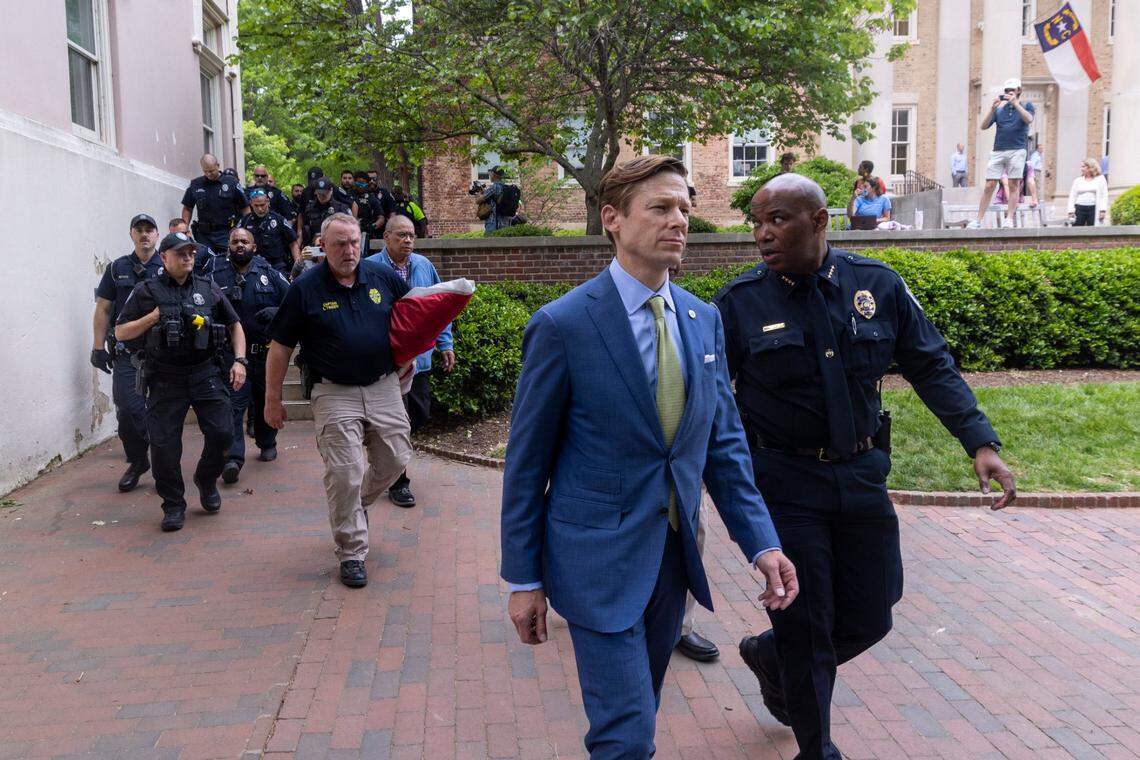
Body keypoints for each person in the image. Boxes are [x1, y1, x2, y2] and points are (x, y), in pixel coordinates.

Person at [500, 155, 798, 758]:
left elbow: (724, 447)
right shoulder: (563, 326)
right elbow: (526, 466)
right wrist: (524, 578)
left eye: (685, 208)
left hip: (671, 561)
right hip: (594, 562)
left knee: (642, 710)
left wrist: (762, 543)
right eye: (661, 207)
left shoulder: (702, 320)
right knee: (627, 735)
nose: (679, 220)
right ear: (612, 218)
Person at [715, 174, 1016, 760]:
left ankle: (770, 657)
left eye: (776, 219)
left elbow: (930, 365)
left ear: (820, 220)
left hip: (859, 474)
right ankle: (816, 745)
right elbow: (712, 402)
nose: (761, 234)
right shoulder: (740, 304)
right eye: (756, 221)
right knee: (806, 622)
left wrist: (979, 441)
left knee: (874, 611)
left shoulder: (876, 285)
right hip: (786, 483)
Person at [264, 213, 413, 588]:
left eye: (353, 243)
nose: (348, 251)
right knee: (345, 471)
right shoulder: (305, 288)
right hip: (332, 391)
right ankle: (351, 551)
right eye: (339, 244)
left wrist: (409, 356)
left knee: (396, 458)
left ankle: (357, 505)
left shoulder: (382, 277)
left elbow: (412, 318)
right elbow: (280, 346)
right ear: (323, 246)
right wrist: (272, 399)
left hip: (383, 385)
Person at [114, 232, 248, 532]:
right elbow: (121, 331)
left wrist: (240, 361)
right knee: (163, 447)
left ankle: (205, 478)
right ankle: (173, 504)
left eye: (191, 252)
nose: (188, 257)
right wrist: (153, 317)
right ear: (165, 258)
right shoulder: (146, 290)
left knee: (224, 433)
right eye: (181, 253)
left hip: (205, 373)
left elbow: (234, 323)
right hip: (165, 379)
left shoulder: (206, 286)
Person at [364, 214, 456, 507]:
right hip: (387, 364)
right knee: (399, 426)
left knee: (420, 414)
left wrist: (445, 344)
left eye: (411, 236)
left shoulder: (424, 266)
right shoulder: (369, 269)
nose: (407, 241)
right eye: (401, 235)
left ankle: (383, 451)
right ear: (387, 237)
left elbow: (438, 309)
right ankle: (398, 483)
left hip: (421, 361)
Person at [91, 213, 165, 492]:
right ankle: (137, 460)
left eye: (149, 230)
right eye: (139, 230)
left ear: (156, 235)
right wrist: (98, 347)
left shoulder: (167, 265)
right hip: (126, 352)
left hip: (161, 352)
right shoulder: (117, 268)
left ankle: (163, 466)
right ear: (131, 234)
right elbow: (103, 308)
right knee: (128, 411)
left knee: (163, 413)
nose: (144, 234)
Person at [210, 228, 290, 483]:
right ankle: (233, 458)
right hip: (232, 356)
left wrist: (276, 312)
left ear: (254, 247)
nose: (240, 245)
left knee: (265, 398)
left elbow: (294, 304)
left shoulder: (269, 273)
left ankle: (267, 441)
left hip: (265, 354)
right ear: (229, 247)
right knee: (233, 405)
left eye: (245, 241)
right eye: (235, 241)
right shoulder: (215, 275)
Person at [969, 78, 1035, 229]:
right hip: (999, 150)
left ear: (1019, 90)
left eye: (1012, 90)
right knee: (989, 184)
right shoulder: (1000, 110)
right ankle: (978, 220)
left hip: (1017, 150)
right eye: (1006, 91)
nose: (1009, 93)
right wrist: (992, 108)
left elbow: (1029, 119)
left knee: (1013, 184)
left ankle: (1009, 219)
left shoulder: (1026, 105)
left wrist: (1016, 104)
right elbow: (983, 126)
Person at [181, 153, 250, 253]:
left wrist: (244, 229)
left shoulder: (231, 183)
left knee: (227, 262)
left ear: (218, 166)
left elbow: (245, 207)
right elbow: (187, 208)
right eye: (206, 171)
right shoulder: (196, 184)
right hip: (204, 235)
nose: (209, 174)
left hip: (227, 233)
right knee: (203, 263)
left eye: (211, 171)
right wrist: (185, 227)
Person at [238, 190, 301, 275]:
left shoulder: (279, 219)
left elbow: (293, 243)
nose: (260, 209)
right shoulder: (245, 221)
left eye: (262, 205)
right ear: (251, 203)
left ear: (267, 201)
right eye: (256, 205)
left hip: (277, 265)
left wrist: (298, 266)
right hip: (254, 264)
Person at [300, 178, 353, 247]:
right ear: (315, 192)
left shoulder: (341, 209)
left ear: (331, 191)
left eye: (324, 194)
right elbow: (307, 230)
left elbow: (349, 231)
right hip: (315, 248)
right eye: (319, 193)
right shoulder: (309, 208)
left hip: (337, 247)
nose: (322, 196)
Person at [1066, 157, 1109, 226]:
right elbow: (1072, 196)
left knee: (1092, 231)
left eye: (1083, 166)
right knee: (1076, 230)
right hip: (1079, 208)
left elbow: (1104, 195)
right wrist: (1070, 211)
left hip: (1094, 208)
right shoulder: (1078, 180)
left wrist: (1103, 210)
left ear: (1090, 167)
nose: (1081, 169)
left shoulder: (1100, 179)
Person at [481, 167, 507, 232]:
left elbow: (478, 200)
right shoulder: (505, 187)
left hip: (492, 221)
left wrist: (478, 193)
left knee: (489, 241)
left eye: (490, 174)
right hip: (503, 221)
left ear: (494, 174)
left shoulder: (494, 187)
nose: (490, 176)